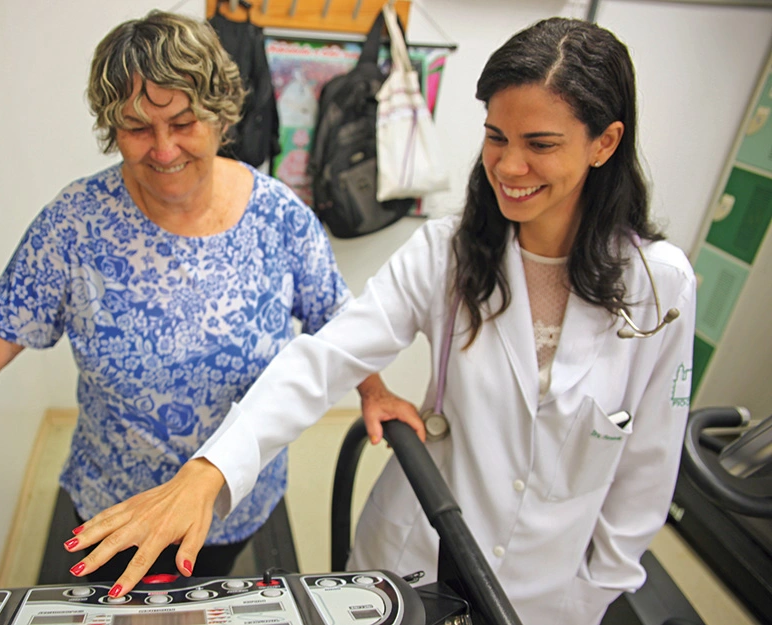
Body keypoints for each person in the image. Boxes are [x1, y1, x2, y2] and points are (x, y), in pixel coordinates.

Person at [66, 17, 697, 623]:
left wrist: (595, 593)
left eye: (540, 144)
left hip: (552, 594)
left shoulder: (660, 287)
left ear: (604, 143)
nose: (507, 166)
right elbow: (323, 358)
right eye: (496, 137)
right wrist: (211, 472)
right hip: (415, 556)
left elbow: (645, 471)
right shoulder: (449, 251)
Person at [0, 10, 409, 583]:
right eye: (138, 128)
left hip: (234, 498)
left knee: (205, 598)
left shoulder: (280, 217)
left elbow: (334, 318)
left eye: (184, 122)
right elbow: (1, 324)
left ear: (220, 115)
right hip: (113, 496)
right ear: (112, 127)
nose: (163, 150)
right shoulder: (76, 221)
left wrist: (375, 391)